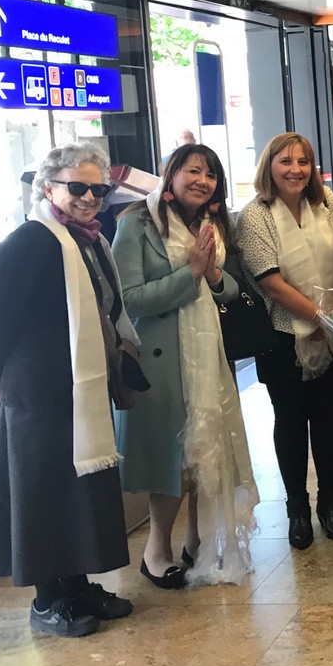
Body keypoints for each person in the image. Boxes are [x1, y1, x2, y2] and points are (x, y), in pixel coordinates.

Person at [0, 144, 137, 638]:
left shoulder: (88, 239)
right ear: (48, 188)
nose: (89, 197)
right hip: (37, 391)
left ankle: (77, 586)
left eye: (98, 189)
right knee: (41, 491)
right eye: (77, 187)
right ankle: (47, 600)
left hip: (79, 386)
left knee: (76, 491)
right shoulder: (29, 241)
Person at [112, 144, 259, 589]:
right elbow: (127, 299)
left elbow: (228, 289)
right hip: (162, 360)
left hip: (207, 354)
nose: (203, 181)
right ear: (171, 175)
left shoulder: (212, 224)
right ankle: (156, 551)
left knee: (207, 448)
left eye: (211, 174)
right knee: (173, 457)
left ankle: (198, 540)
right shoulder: (137, 223)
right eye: (193, 171)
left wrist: (212, 275)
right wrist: (190, 273)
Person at [236, 133, 333, 550]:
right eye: (285, 161)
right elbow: (269, 281)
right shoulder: (254, 215)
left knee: (326, 417)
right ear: (269, 166)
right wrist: (317, 316)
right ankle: (297, 510)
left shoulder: (326, 202)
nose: (296, 170)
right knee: (289, 421)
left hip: (330, 330)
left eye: (303, 161)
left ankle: (330, 505)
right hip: (281, 334)